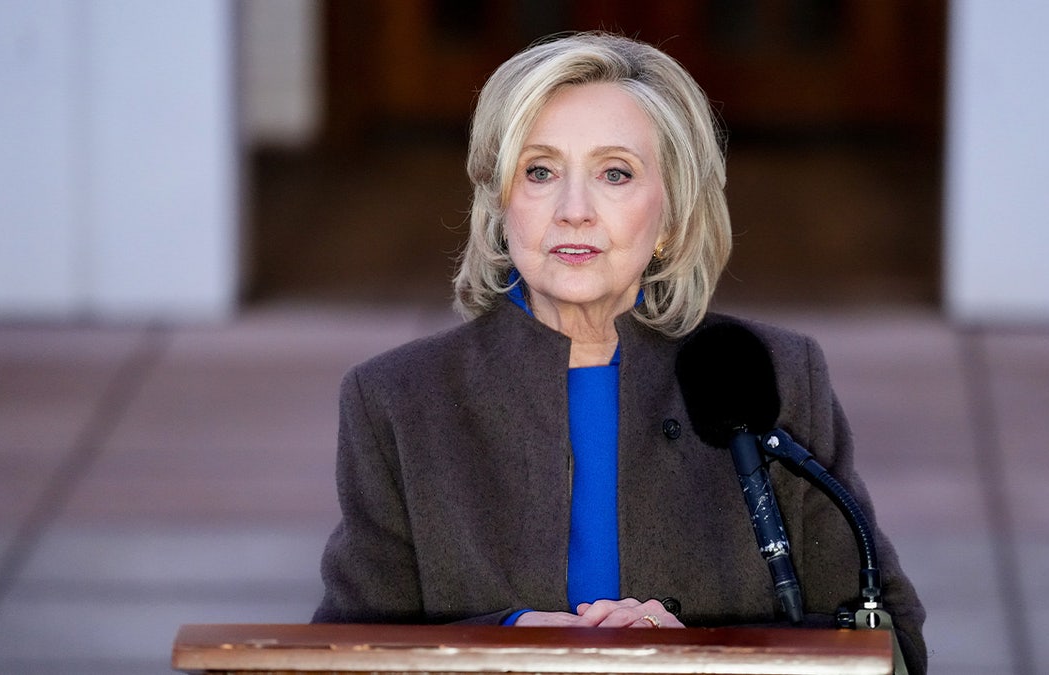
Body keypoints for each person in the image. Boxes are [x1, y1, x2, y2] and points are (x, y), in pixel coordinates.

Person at [313, 31, 926, 672]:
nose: (574, 210)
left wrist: (696, 657)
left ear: (671, 216)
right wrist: (509, 643)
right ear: (501, 201)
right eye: (540, 171)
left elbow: (893, 647)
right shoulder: (399, 398)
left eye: (615, 173)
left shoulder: (771, 373)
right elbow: (341, 653)